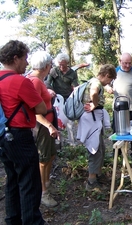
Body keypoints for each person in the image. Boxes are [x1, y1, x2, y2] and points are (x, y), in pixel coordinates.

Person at [0, 40, 47, 224]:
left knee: (12, 180)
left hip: (3, 136)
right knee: (29, 182)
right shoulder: (20, 81)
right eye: (25, 59)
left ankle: (12, 220)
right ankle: (32, 221)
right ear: (15, 58)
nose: (27, 63)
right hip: (19, 136)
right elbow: (41, 108)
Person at [77, 64, 117, 191]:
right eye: (109, 80)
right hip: (91, 120)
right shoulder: (96, 83)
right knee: (95, 149)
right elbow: (94, 92)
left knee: (100, 148)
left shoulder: (92, 81)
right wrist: (94, 104)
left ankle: (97, 175)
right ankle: (91, 181)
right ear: (106, 75)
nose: (108, 83)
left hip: (93, 120)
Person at [27, 51, 59, 207]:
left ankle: (47, 182)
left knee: (51, 155)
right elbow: (34, 111)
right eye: (50, 65)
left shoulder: (40, 81)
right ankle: (43, 192)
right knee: (43, 158)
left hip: (49, 124)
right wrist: (49, 125)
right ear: (46, 66)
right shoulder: (34, 82)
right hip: (42, 126)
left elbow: (41, 99)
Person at [106, 53, 132, 160]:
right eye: (125, 63)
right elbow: (104, 82)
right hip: (118, 109)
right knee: (117, 131)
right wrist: (107, 88)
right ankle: (117, 154)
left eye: (130, 63)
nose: (128, 65)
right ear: (120, 62)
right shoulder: (115, 71)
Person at [45, 53, 78, 146]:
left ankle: (72, 142)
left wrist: (76, 89)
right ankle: (59, 142)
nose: (61, 66)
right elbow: (47, 82)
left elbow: (75, 85)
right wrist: (50, 90)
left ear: (67, 63)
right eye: (59, 64)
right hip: (57, 100)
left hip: (68, 99)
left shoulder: (72, 73)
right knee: (57, 121)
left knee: (70, 121)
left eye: (63, 64)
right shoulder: (54, 71)